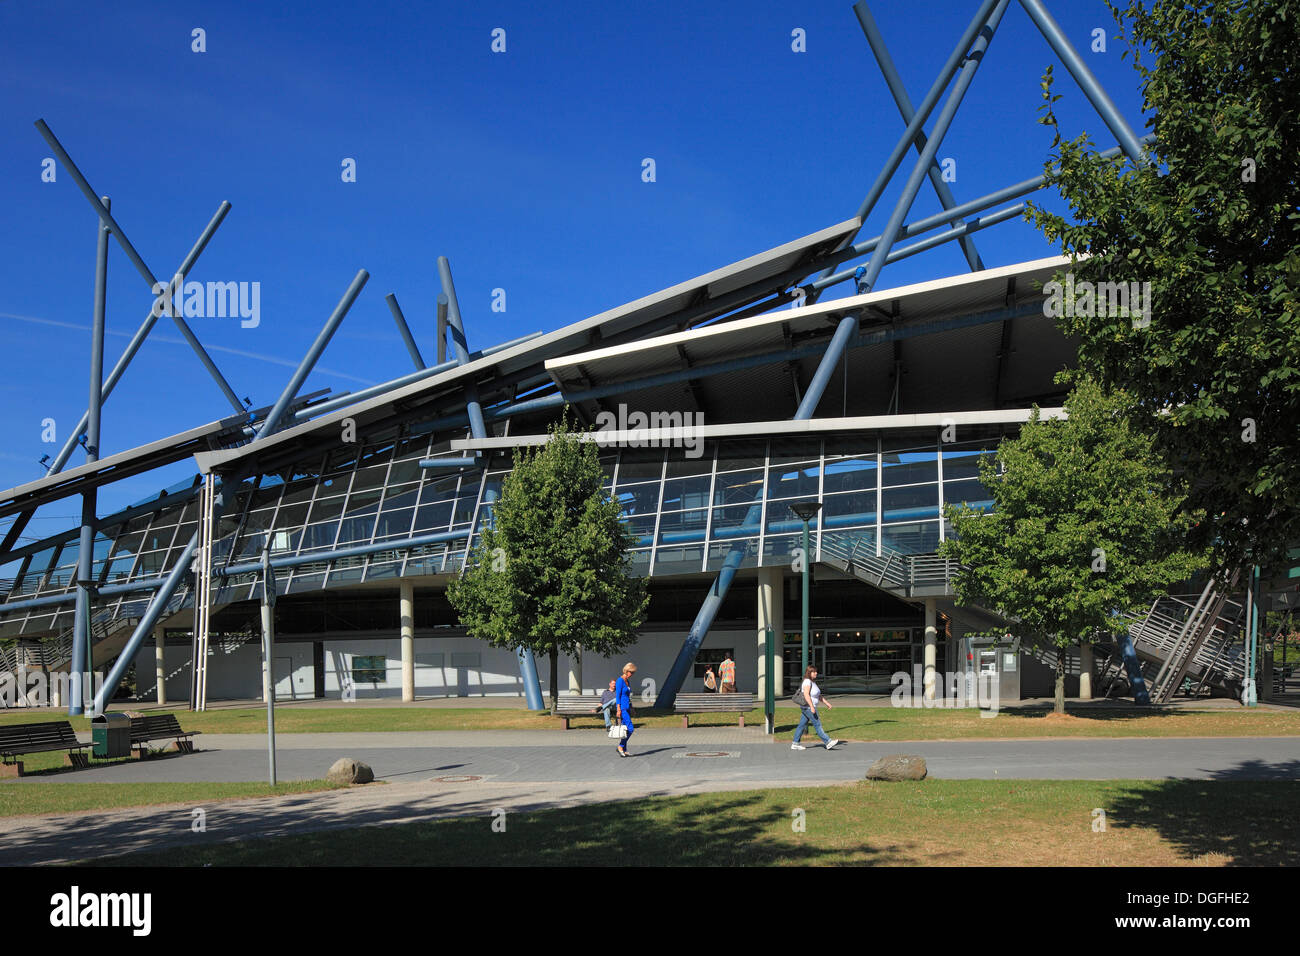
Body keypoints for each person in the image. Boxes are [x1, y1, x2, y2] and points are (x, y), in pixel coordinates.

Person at [791, 665, 840, 751]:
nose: (816, 673)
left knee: (801, 725)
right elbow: (806, 695)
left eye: (816, 671)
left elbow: (818, 696)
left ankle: (795, 743)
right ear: (809, 673)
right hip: (808, 708)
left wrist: (827, 703)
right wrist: (812, 706)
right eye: (814, 672)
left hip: (807, 708)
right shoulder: (807, 682)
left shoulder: (812, 682)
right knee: (817, 725)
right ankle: (828, 742)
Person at [615, 662, 637, 756]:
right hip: (622, 708)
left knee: (625, 730)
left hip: (627, 707)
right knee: (631, 728)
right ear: (626, 671)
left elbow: (628, 696)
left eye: (633, 673)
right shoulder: (620, 680)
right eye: (631, 672)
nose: (632, 674)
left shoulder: (627, 681)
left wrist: (632, 707)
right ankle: (620, 746)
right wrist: (618, 709)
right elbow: (617, 696)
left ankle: (624, 749)